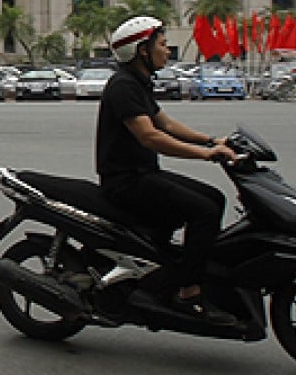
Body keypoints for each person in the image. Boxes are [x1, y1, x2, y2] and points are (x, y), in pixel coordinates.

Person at [95, 16, 240, 326]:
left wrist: (213, 140)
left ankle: (168, 270)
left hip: (143, 174)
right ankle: (187, 291)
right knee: (202, 212)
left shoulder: (139, 83)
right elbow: (151, 136)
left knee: (214, 199)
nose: (168, 51)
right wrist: (205, 154)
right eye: (162, 45)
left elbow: (168, 124)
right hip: (126, 181)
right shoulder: (123, 87)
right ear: (142, 50)